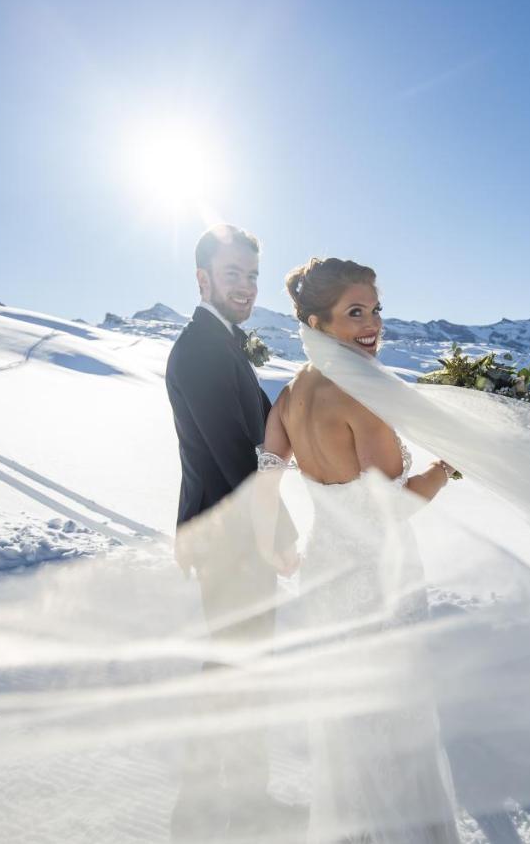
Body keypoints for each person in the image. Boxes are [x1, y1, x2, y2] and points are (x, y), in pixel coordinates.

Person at [257, 257, 462, 843]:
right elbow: (391, 511)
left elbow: (266, 480)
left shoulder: (290, 393)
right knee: (398, 726)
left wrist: (277, 544)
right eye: (354, 312)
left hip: (324, 578)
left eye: (375, 310)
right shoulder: (361, 398)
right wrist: (445, 469)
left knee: (347, 728)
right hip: (380, 579)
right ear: (317, 323)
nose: (372, 323)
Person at [164, 224, 303, 841]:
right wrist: (283, 530)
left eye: (251, 275)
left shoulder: (219, 344)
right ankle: (218, 815)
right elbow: (235, 460)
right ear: (203, 280)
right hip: (232, 539)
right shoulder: (201, 350)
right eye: (232, 274)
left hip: (226, 535)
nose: (245, 286)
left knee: (234, 674)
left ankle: (224, 809)